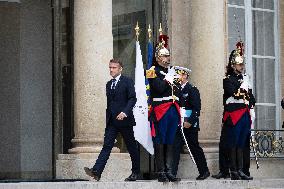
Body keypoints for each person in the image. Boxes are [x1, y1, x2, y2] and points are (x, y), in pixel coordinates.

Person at [84, 59, 140, 181]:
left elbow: (132, 99)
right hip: (112, 122)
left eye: (114, 67)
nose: (111, 70)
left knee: (131, 147)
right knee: (107, 146)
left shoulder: (127, 81)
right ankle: (97, 171)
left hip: (125, 121)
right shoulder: (108, 84)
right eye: (110, 67)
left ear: (120, 69)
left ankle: (136, 172)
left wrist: (125, 112)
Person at [146, 35, 181, 182]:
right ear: (158, 58)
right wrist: (168, 79)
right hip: (160, 108)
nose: (168, 58)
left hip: (173, 108)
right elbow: (159, 88)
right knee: (160, 140)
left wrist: (173, 78)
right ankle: (160, 171)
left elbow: (177, 90)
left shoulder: (172, 71)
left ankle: (169, 170)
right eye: (165, 56)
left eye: (168, 55)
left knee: (171, 140)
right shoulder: (152, 71)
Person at [221, 41, 255, 180]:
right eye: (239, 64)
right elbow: (233, 93)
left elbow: (252, 99)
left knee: (241, 143)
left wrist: (248, 95)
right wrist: (243, 89)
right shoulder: (228, 79)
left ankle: (241, 170)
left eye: (242, 64)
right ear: (233, 65)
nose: (242, 67)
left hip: (245, 113)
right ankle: (233, 170)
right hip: (234, 114)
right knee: (233, 143)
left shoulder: (245, 79)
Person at [171, 67, 210, 180]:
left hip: (189, 123)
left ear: (185, 76)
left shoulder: (192, 89)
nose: (177, 77)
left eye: (179, 75)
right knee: (176, 146)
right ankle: (173, 173)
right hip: (179, 122)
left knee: (194, 147)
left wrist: (190, 121)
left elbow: (197, 108)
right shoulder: (176, 89)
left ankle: (204, 171)